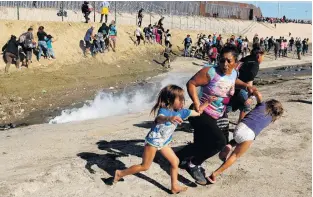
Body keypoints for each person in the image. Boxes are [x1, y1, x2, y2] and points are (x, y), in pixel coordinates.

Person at [175, 44, 257, 185]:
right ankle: (193, 163)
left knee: (202, 143)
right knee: (219, 142)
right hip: (201, 113)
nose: (224, 64)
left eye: (228, 61)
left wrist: (246, 85)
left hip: (217, 114)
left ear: (235, 63)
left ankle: (178, 157)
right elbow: (191, 83)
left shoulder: (234, 73)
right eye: (221, 60)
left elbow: (233, 81)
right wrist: (196, 103)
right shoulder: (210, 72)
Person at [113, 85, 208, 194]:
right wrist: (169, 118)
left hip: (163, 143)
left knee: (175, 161)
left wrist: (207, 103)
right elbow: (159, 118)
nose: (183, 102)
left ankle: (174, 187)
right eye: (180, 99)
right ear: (169, 100)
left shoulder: (182, 112)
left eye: (183, 99)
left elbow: (198, 112)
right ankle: (120, 173)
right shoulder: (164, 111)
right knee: (145, 166)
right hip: (152, 142)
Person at [208, 92, 284, 183]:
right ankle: (214, 174)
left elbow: (258, 94)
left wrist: (251, 97)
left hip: (240, 127)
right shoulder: (271, 118)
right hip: (249, 134)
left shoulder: (262, 104)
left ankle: (228, 146)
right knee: (235, 155)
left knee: (239, 139)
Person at [228, 44, 265, 122]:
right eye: (263, 56)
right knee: (246, 105)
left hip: (230, 82)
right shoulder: (255, 64)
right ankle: (240, 124)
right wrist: (250, 97)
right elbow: (249, 82)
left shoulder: (245, 58)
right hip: (239, 85)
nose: (263, 59)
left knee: (231, 105)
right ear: (259, 55)